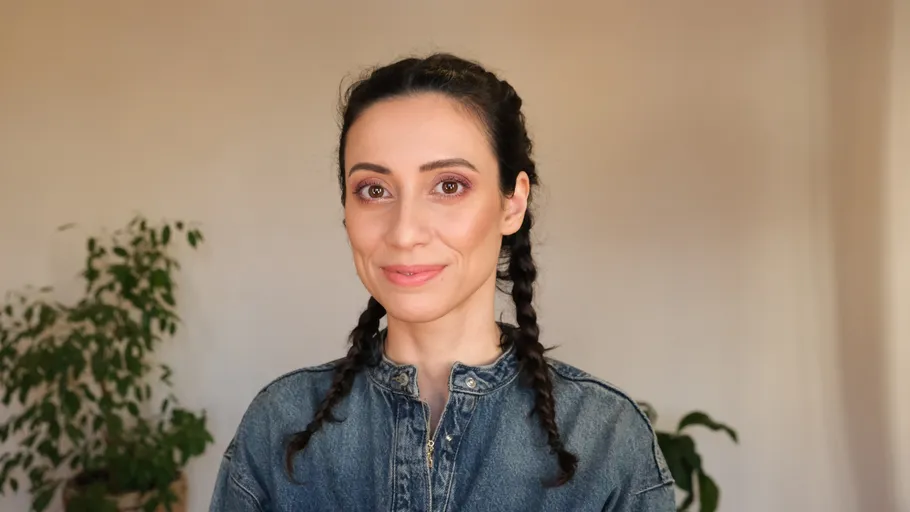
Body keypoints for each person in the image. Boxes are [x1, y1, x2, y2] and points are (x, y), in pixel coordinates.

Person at [209, 53, 675, 512]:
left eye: (449, 186)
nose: (404, 232)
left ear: (512, 203)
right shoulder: (279, 425)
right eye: (374, 190)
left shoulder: (607, 439)